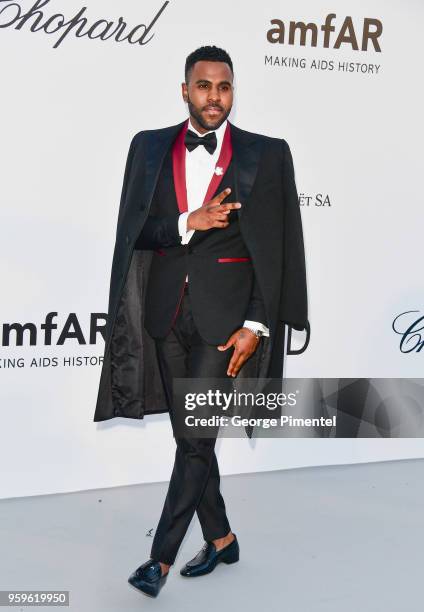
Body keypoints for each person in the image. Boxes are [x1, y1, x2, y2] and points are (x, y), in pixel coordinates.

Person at [93, 45, 308, 598]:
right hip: (165, 312)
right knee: (192, 436)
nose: (216, 96)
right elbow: (133, 232)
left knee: (193, 441)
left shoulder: (267, 154)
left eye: (225, 86)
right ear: (185, 89)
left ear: (233, 91)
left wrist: (257, 324)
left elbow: (276, 249)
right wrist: (188, 221)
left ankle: (158, 561)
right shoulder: (147, 148)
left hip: (225, 320)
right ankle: (222, 538)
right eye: (205, 85)